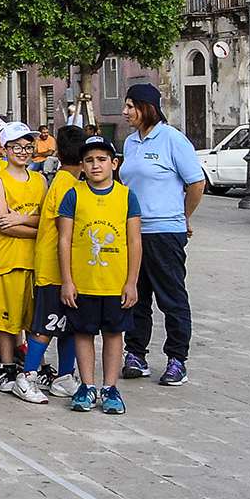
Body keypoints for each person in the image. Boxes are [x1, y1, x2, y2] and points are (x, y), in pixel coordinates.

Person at [116, 84, 203, 387]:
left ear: (147, 107)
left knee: (171, 299)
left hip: (165, 232)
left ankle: (177, 359)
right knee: (134, 298)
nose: (125, 112)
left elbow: (196, 183)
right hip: (133, 232)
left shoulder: (172, 139)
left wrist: (183, 216)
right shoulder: (130, 143)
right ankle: (136, 354)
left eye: (130, 106)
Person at [58, 135, 142, 415]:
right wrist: (67, 281)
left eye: (102, 159)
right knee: (83, 332)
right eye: (90, 160)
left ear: (114, 163)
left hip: (115, 283)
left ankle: (110, 387)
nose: (96, 165)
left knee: (113, 334)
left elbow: (133, 241)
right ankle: (87, 385)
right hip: (83, 283)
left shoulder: (126, 195)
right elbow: (65, 240)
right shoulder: (74, 194)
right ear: (81, 165)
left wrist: (131, 282)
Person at [22, 125, 90, 401]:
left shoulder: (67, 182)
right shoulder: (66, 186)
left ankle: (64, 376)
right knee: (46, 326)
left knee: (69, 326)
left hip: (67, 272)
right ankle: (27, 376)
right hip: (53, 271)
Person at [0, 122, 47, 403]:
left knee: (32, 316)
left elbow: (47, 223)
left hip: (36, 260)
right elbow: (3, 224)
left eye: (27, 147)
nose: (23, 152)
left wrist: (22, 218)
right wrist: (35, 229)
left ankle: (32, 363)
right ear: (5, 149)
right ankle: (7, 365)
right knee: (7, 318)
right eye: (17, 147)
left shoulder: (40, 181)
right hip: (9, 257)